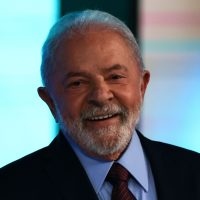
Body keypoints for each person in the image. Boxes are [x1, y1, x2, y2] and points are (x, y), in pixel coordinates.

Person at [0, 10, 200, 200]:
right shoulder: (10, 189)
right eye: (77, 83)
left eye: (115, 77)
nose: (101, 96)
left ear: (142, 86)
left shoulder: (194, 172)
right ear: (50, 101)